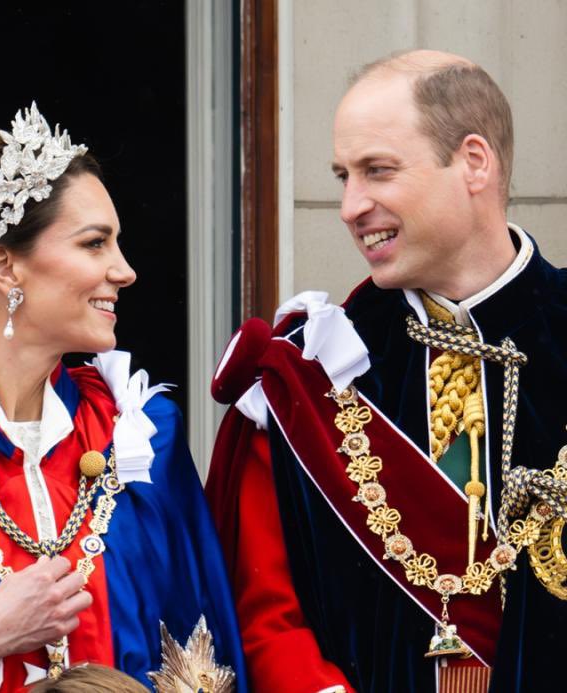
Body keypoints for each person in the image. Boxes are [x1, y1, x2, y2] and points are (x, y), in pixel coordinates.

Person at [206, 49, 567, 692]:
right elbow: (267, 617)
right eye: (344, 175)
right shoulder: (309, 369)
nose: (350, 206)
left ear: (473, 163)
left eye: (378, 171)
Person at [0, 102, 246, 692]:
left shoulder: (144, 435)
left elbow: (211, 648)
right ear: (4, 264)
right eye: (95, 244)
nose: (124, 271)